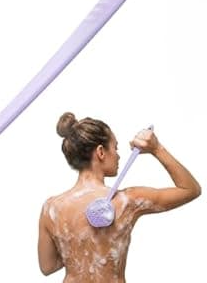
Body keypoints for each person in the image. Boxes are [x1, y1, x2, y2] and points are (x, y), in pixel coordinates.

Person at [37, 112, 201, 283]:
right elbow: (190, 189)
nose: (118, 155)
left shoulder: (51, 208)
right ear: (101, 152)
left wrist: (77, 248)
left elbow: (47, 266)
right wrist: (156, 148)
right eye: (115, 148)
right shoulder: (126, 201)